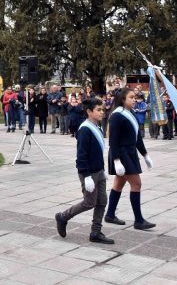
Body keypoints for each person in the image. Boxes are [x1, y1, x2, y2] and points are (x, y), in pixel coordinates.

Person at [55, 98, 114, 244]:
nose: (102, 112)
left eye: (103, 110)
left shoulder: (98, 127)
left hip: (98, 171)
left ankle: (96, 232)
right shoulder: (85, 130)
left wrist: (103, 169)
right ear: (89, 111)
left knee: (102, 201)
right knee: (89, 202)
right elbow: (81, 156)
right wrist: (86, 176)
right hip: (88, 173)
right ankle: (63, 216)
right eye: (98, 110)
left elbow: (97, 153)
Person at [104, 88, 155, 230]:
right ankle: (138, 220)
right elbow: (113, 140)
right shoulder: (116, 115)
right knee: (136, 184)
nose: (134, 99)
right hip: (121, 153)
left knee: (119, 184)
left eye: (135, 97)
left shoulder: (130, 112)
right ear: (122, 99)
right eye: (131, 97)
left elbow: (137, 137)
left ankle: (110, 214)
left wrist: (145, 155)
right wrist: (116, 160)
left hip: (130, 152)